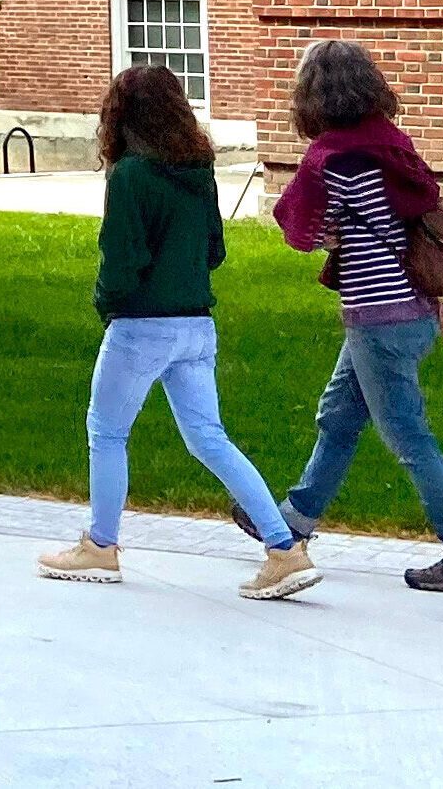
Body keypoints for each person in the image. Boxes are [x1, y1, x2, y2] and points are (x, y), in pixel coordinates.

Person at [38, 64, 321, 600]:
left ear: (119, 117)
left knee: (107, 431)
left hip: (141, 326)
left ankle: (101, 547)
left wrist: (108, 304)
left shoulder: (130, 176)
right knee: (209, 438)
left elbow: (120, 261)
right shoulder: (200, 168)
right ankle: (284, 549)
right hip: (197, 325)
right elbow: (214, 249)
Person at [267, 39, 443, 595]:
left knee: (407, 436)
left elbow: (298, 229)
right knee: (339, 415)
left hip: (376, 313)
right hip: (414, 306)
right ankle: (293, 520)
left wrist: (329, 233)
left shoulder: (332, 159)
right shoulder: (394, 144)